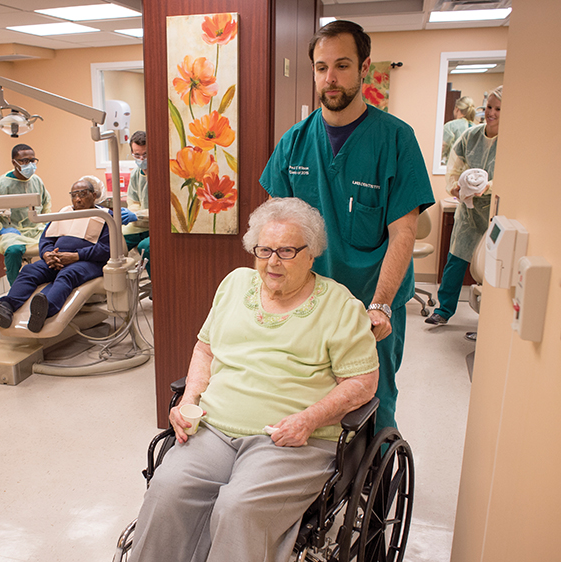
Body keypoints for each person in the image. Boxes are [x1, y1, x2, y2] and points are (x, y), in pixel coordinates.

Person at [128, 197, 379, 562]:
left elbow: (362, 384)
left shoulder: (340, 306)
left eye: (287, 251)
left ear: (312, 254)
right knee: (167, 488)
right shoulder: (235, 284)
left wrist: (308, 420)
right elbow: (205, 349)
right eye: (264, 249)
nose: (272, 261)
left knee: (238, 506)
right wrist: (189, 401)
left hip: (289, 441)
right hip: (213, 429)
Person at [260, 20, 434, 432]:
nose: (330, 78)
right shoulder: (294, 143)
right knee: (309, 395)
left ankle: (377, 472)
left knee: (373, 399)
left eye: (341, 65)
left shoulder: (395, 140)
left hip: (369, 306)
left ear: (364, 68)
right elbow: (276, 227)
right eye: (321, 68)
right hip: (310, 301)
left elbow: (403, 233)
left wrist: (381, 304)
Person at [0, 176, 111, 333]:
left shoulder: (105, 216)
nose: (77, 199)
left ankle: (45, 311)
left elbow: (107, 249)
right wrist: (47, 254)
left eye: (83, 194)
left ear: (94, 195)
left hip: (88, 262)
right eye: (74, 195)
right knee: (29, 271)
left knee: (67, 274)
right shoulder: (63, 213)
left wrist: (75, 256)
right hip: (56, 258)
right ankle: (5, 307)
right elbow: (45, 239)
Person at [426, 86, 502, 327]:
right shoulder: (470, 136)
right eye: (489, 107)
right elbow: (454, 167)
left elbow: (511, 176)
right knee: (456, 260)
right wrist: (456, 188)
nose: (491, 113)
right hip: (469, 211)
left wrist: (488, 186)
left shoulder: (511, 143)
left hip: (495, 213)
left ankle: (491, 317)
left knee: (492, 268)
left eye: (498, 109)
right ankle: (444, 310)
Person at [0, 143, 52, 286]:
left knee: (61, 243)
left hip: (36, 229)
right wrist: (0, 229)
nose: (30, 164)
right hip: (11, 232)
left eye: (33, 160)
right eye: (25, 161)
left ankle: (51, 283)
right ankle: (16, 288)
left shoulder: (37, 181)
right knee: (13, 250)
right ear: (14, 162)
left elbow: (46, 204)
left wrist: (46, 223)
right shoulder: (0, 184)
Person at [122, 130, 150, 276]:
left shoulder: (162, 172)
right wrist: (133, 214)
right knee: (114, 242)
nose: (141, 159)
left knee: (146, 247)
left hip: (157, 226)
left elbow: (162, 209)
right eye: (137, 155)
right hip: (140, 224)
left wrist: (138, 215)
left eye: (145, 154)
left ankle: (156, 286)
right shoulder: (135, 174)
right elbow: (133, 201)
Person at [441, 96, 476, 164]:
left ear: (457, 109)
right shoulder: (475, 128)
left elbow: (443, 145)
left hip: (454, 165)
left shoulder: (451, 126)